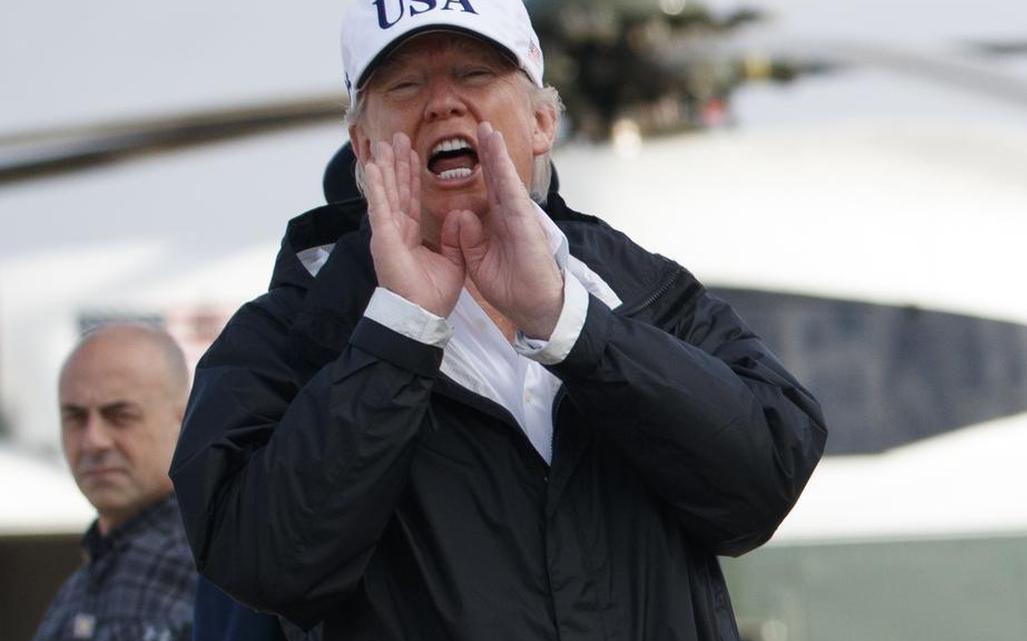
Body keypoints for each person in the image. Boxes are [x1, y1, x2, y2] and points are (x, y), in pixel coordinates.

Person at [170, 1, 828, 639]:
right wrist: (398, 332)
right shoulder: (287, 333)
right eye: (405, 84)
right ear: (363, 145)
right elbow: (263, 561)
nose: (442, 103)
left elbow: (764, 479)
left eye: (474, 74)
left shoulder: (636, 290)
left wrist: (571, 325)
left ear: (542, 120)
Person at [35, 324, 197, 641]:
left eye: (120, 414)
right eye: (75, 416)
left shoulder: (212, 569)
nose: (93, 440)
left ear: (183, 419)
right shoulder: (84, 581)